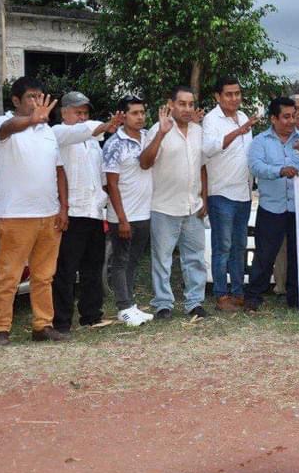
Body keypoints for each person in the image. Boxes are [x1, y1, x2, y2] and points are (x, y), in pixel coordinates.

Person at [0, 77, 69, 346]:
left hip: (48, 215)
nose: (37, 102)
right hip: (15, 216)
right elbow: (10, 127)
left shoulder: (47, 132)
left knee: (44, 276)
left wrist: (63, 208)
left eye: (40, 97)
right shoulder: (1, 124)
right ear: (15, 101)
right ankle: (0, 329)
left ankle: (42, 325)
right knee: (8, 276)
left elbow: (59, 171)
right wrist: (32, 120)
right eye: (31, 97)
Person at [50, 92, 122, 335]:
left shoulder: (93, 142)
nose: (82, 118)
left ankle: (91, 316)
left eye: (85, 113)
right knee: (66, 270)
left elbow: (101, 176)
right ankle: (61, 321)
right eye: (77, 112)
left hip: (93, 212)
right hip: (72, 212)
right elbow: (83, 131)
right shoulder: (58, 134)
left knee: (93, 268)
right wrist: (105, 125)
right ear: (64, 113)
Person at [245, 97, 299, 310]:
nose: (292, 121)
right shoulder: (261, 141)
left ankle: (296, 297)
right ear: (273, 118)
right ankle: (253, 296)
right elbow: (256, 167)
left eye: (294, 116)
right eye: (286, 116)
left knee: (298, 253)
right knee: (265, 254)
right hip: (272, 208)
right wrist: (279, 171)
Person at [139, 86, 209, 320]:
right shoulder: (157, 130)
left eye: (191, 104)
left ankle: (195, 303)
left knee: (195, 259)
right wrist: (160, 133)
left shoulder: (199, 131)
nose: (187, 109)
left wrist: (204, 200)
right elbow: (145, 163)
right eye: (182, 104)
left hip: (193, 206)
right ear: (171, 104)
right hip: (164, 207)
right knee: (162, 259)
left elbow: (202, 167)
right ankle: (163, 304)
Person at [202, 77, 258, 312]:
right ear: (217, 96)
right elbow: (208, 149)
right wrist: (238, 132)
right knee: (221, 246)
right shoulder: (210, 119)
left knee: (239, 246)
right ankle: (221, 294)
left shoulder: (244, 117)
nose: (234, 98)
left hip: (244, 194)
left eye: (237, 93)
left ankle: (237, 292)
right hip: (221, 193)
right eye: (228, 94)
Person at [103, 96, 155, 327]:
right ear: (123, 116)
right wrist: (121, 219)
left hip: (144, 214)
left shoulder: (147, 137)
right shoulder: (115, 144)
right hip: (123, 216)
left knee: (133, 261)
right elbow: (111, 184)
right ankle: (123, 307)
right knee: (121, 261)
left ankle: (131, 304)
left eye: (142, 112)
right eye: (135, 113)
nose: (140, 117)